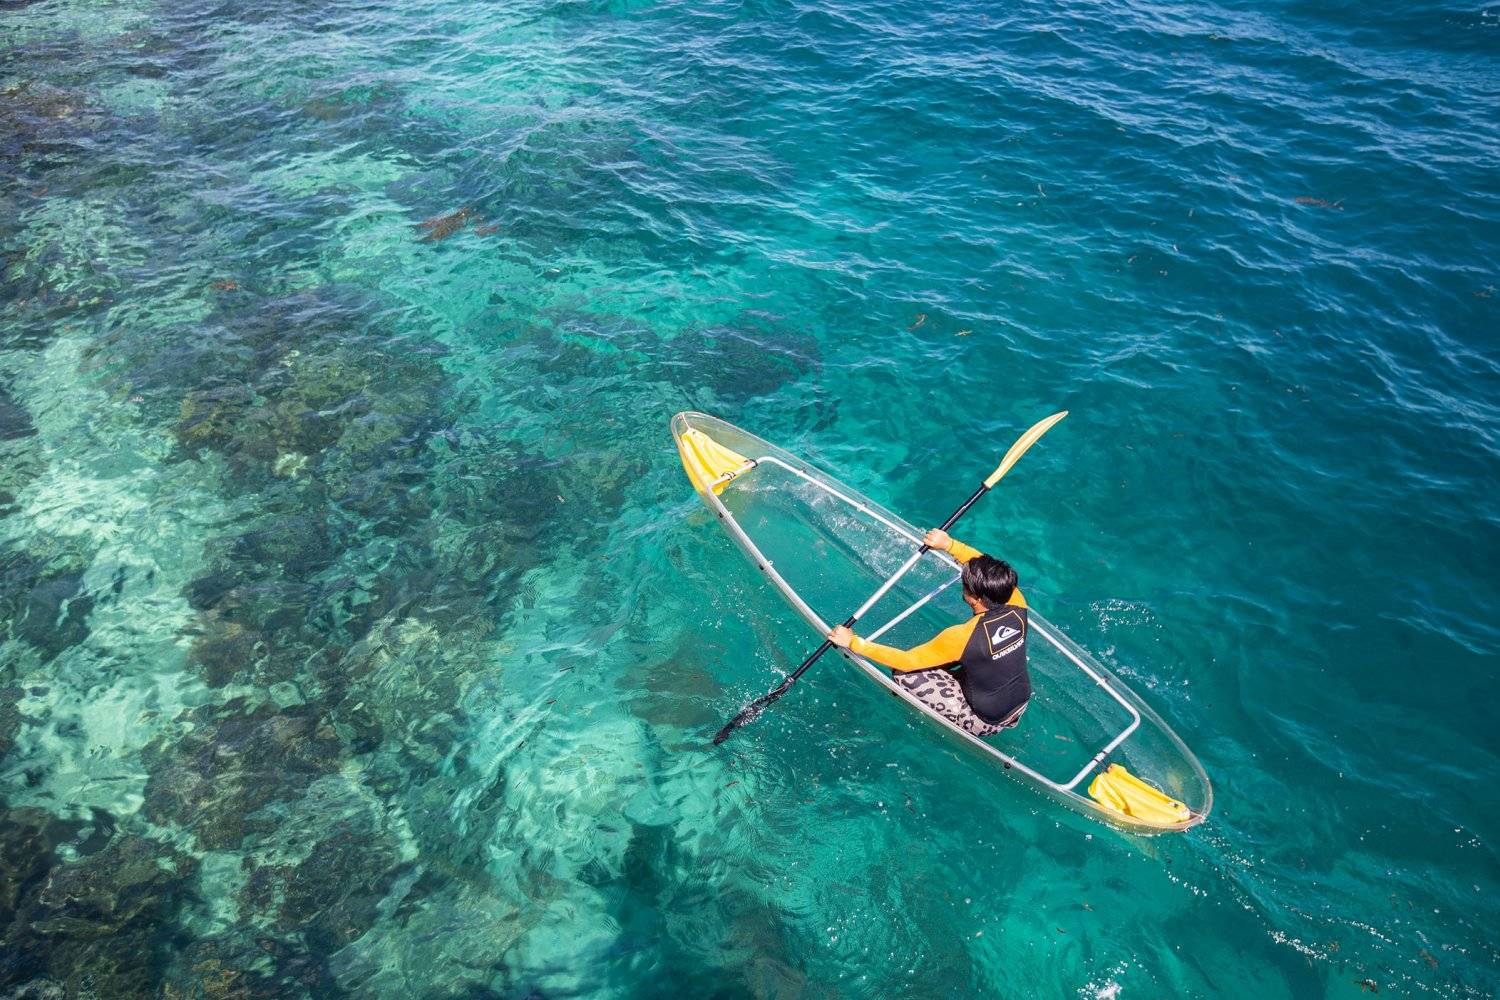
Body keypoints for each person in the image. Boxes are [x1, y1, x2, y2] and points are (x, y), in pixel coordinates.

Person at [829, 528, 1030, 736]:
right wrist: (949, 545)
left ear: (975, 598)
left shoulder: (962, 637)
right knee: (965, 655)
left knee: (905, 675)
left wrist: (853, 642)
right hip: (1020, 701)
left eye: (965, 585)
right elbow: (985, 568)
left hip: (985, 721)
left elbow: (905, 661)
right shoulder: (1016, 602)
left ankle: (962, 722)